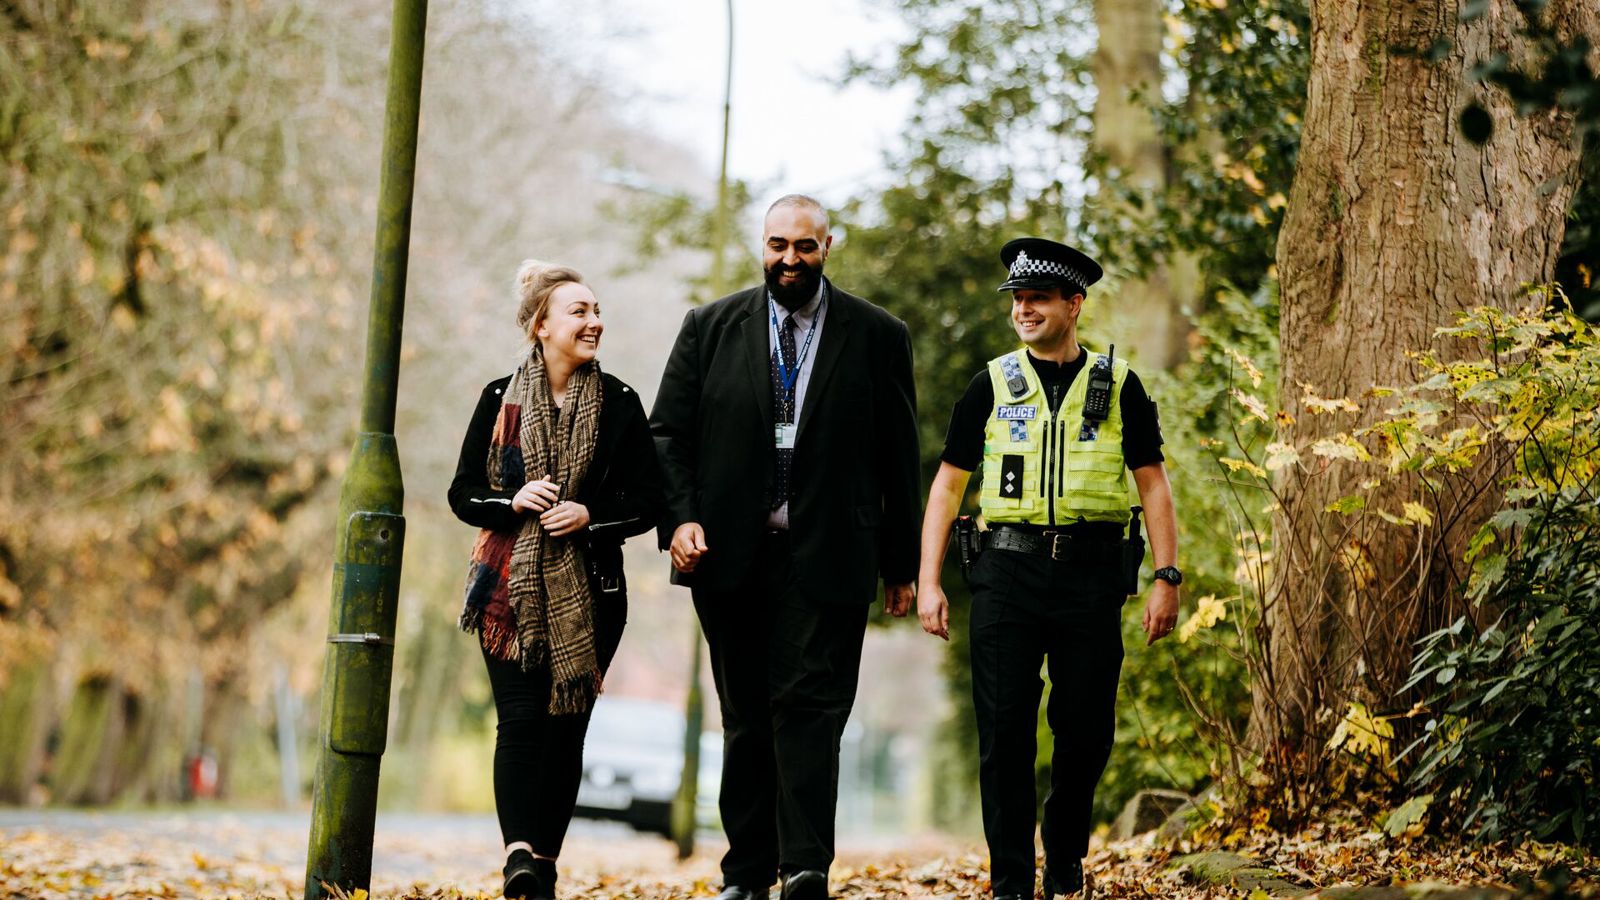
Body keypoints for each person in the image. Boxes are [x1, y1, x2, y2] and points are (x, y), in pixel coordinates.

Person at [649, 195, 921, 900]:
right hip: (728, 557)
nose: (789, 260)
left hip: (828, 553)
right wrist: (678, 521)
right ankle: (744, 873)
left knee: (808, 710)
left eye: (804, 247)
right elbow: (667, 436)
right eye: (778, 245)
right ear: (761, 246)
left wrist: (902, 565)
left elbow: (900, 456)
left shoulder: (878, 335)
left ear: (828, 246)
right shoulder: (709, 328)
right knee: (744, 720)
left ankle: (805, 868)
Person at [915, 238, 1181, 899]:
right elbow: (948, 487)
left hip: (1091, 580)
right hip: (1005, 574)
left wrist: (1167, 577)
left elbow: (1152, 484)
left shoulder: (1120, 386)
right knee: (1004, 731)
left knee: (1085, 730)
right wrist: (927, 581)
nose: (1024, 309)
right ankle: (1009, 880)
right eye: (1017, 299)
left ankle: (1064, 851)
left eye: (1037, 298)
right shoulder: (991, 384)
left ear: (1074, 304)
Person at [449, 261, 663, 900]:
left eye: (597, 311)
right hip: (505, 591)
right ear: (541, 325)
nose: (594, 322)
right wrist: (512, 502)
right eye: (579, 312)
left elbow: (650, 501)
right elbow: (463, 494)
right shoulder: (498, 398)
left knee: (567, 728)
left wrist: (592, 516)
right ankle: (518, 857)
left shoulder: (621, 403)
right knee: (519, 722)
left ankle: (541, 864)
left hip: (593, 596)